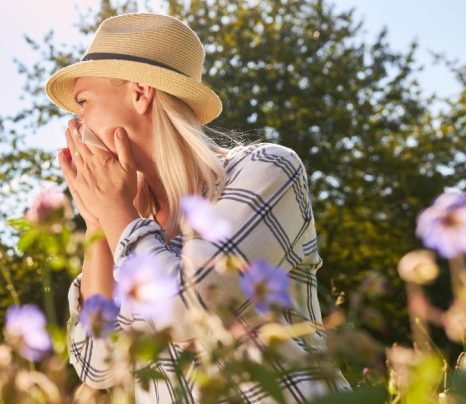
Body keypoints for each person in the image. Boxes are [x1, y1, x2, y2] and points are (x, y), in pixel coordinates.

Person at [44, 12, 351, 403]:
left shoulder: (264, 170)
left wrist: (117, 217)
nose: (77, 119)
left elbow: (196, 307)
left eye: (84, 101)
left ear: (140, 93)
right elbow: (97, 365)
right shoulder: (129, 221)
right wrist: (97, 222)